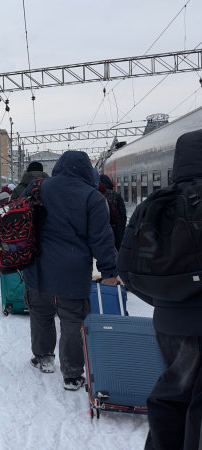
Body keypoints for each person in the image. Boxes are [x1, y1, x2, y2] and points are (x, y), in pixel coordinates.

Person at [118, 130, 202, 450]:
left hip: (169, 325)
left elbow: (128, 270)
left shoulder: (153, 205)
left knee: (172, 394)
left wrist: (168, 298)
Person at [19, 151, 119, 391]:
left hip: (38, 265)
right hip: (73, 271)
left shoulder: (37, 186)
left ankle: (44, 358)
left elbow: (19, 217)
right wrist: (109, 271)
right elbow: (102, 238)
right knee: (73, 321)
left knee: (41, 313)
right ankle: (72, 374)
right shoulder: (92, 197)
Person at [98, 174, 127, 250]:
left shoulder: (96, 195)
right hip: (115, 231)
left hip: (101, 233)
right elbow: (123, 216)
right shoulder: (116, 195)